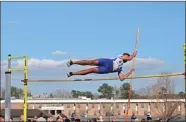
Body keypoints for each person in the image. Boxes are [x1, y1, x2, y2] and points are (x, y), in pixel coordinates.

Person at [67, 51, 137, 81]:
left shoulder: (120, 69)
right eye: (126, 55)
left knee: (91, 70)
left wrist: (130, 72)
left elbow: (122, 78)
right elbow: (129, 58)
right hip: (107, 62)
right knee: (91, 62)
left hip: (106, 69)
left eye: (126, 55)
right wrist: (133, 55)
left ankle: (72, 73)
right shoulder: (120, 57)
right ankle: (73, 62)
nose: (125, 56)